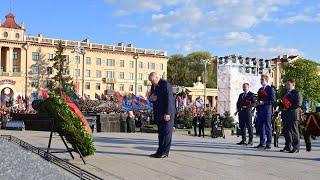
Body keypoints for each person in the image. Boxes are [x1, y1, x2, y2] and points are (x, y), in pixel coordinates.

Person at [148, 72, 176, 158]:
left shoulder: (165, 85)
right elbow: (153, 97)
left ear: (157, 77)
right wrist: (151, 99)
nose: (152, 83)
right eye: (151, 81)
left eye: (152, 80)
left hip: (167, 113)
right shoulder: (153, 86)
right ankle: (159, 152)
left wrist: (167, 113)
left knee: (167, 133)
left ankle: (165, 152)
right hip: (159, 113)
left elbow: (169, 100)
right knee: (160, 134)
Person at [280, 79, 302, 153]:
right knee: (287, 131)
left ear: (293, 84)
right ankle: (287, 146)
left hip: (293, 114)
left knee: (294, 131)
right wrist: (281, 104)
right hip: (286, 114)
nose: (287, 86)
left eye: (288, 84)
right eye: (286, 84)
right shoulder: (285, 93)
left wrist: (288, 106)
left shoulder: (297, 92)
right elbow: (282, 103)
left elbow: (298, 104)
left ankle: (296, 147)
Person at [255, 74, 276, 149]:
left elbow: (273, 100)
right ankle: (262, 142)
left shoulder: (270, 89)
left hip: (267, 110)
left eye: (262, 80)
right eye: (260, 79)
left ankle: (268, 143)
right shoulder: (260, 89)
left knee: (267, 127)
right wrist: (257, 102)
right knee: (261, 127)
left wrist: (263, 102)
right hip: (260, 110)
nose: (261, 81)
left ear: (266, 80)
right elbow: (258, 99)